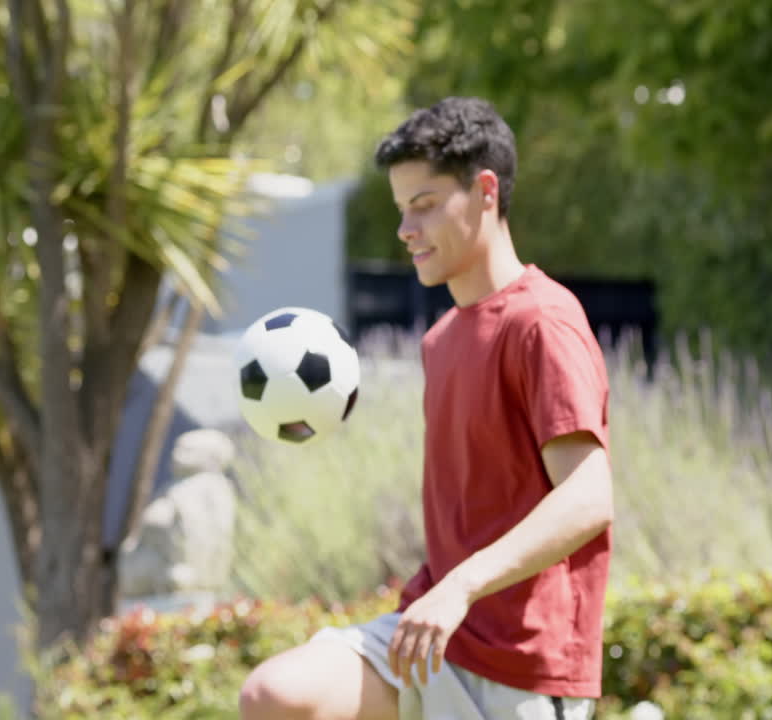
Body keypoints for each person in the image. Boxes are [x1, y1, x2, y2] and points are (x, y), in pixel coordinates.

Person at [238, 96, 615, 720]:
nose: (406, 229)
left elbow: (588, 498)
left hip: (521, 666)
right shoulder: (442, 340)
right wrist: (443, 593)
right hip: (432, 633)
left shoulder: (542, 321)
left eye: (425, 204)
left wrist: (461, 586)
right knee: (275, 696)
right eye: (401, 210)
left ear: (485, 191)